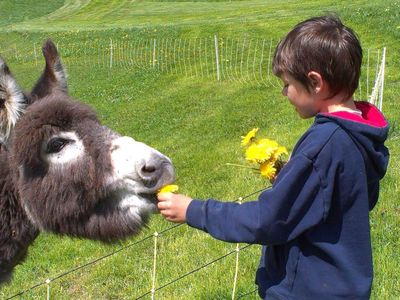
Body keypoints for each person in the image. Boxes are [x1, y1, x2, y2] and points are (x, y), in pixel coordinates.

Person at [157, 15, 389, 299]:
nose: (284, 93)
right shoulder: (359, 134)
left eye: (287, 84)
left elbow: (267, 220)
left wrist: (193, 210)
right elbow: (350, 196)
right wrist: (296, 179)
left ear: (315, 82)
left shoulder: (325, 143)